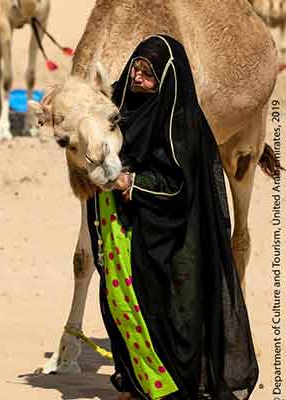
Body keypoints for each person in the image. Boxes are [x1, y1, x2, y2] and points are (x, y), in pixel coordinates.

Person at [88, 35, 259, 399]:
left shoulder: (182, 125)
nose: (138, 78)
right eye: (136, 68)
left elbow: (178, 185)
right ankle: (133, 381)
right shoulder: (119, 108)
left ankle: (170, 388)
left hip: (173, 237)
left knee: (170, 314)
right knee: (121, 307)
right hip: (124, 232)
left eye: (148, 74)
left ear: (167, 79)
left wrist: (131, 182)